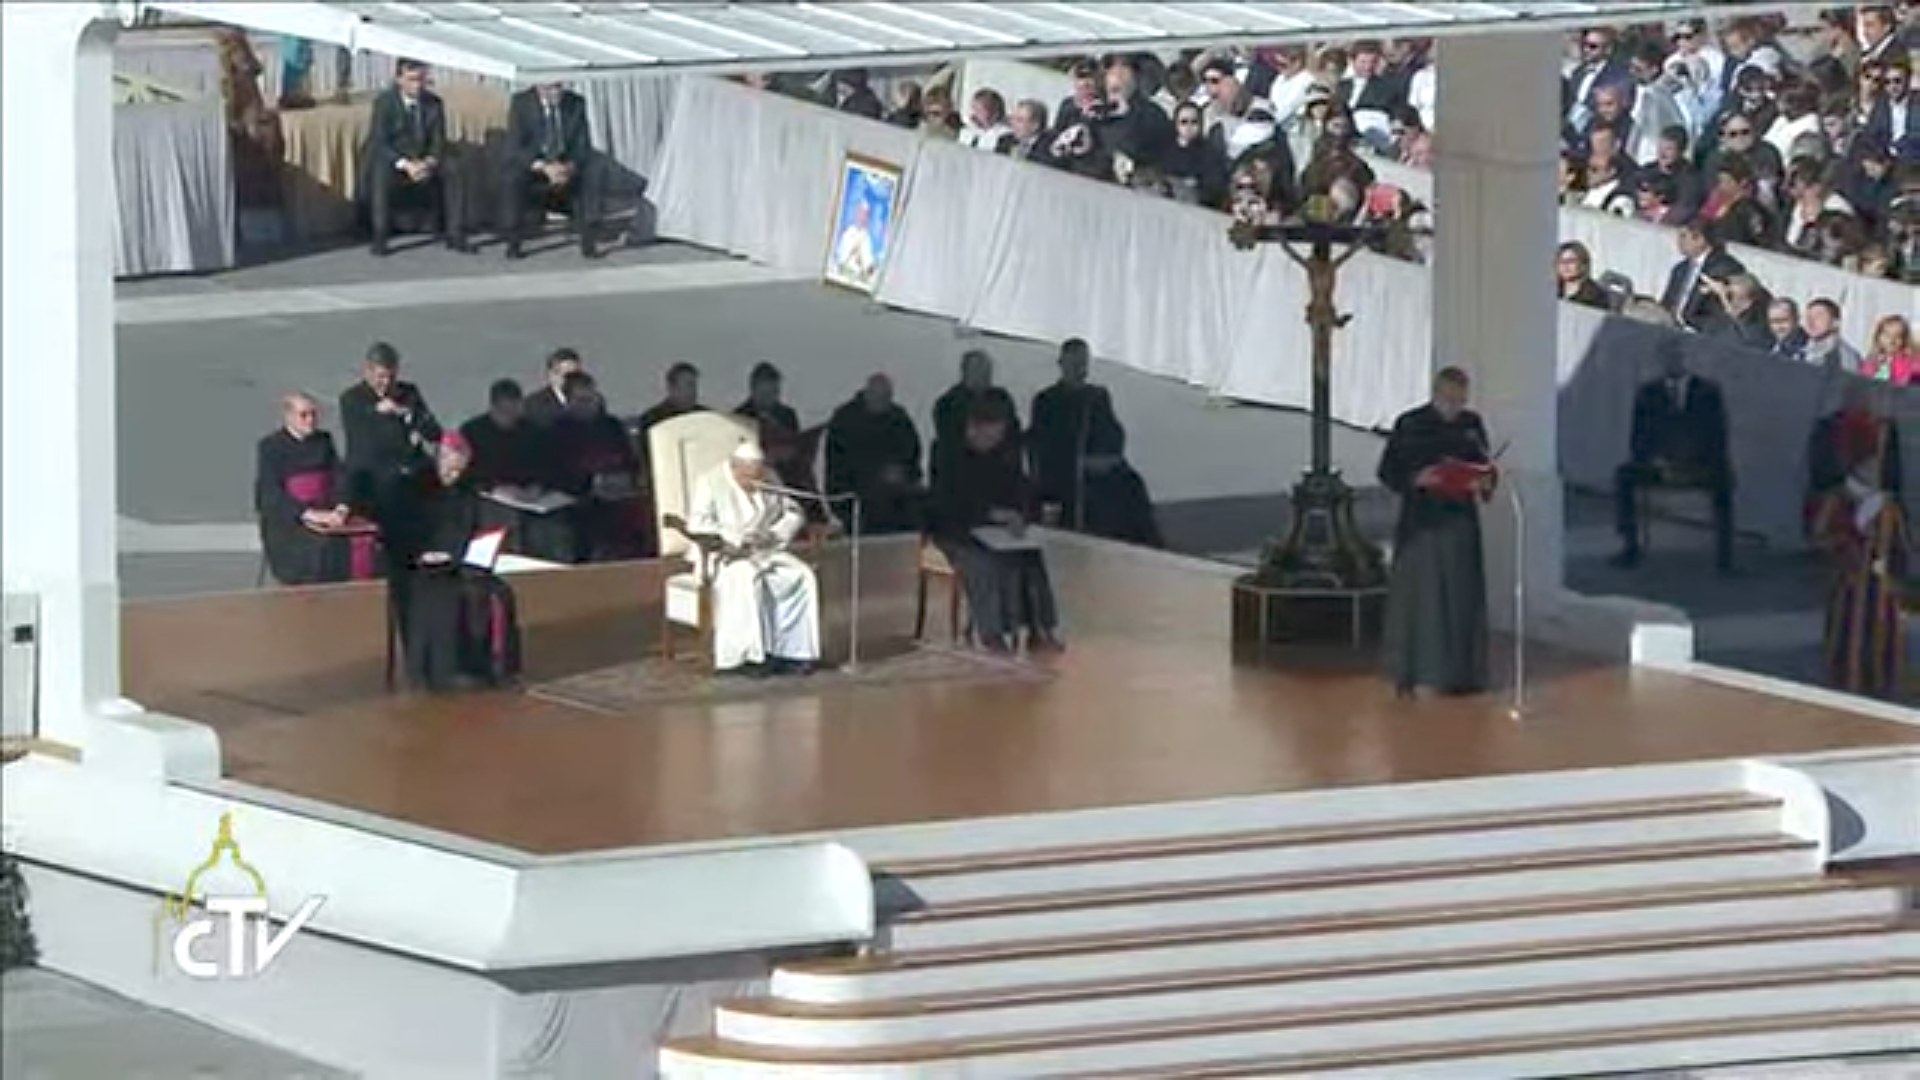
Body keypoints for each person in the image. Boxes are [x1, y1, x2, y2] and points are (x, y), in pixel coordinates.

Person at [1378, 367, 1494, 698]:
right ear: (1436, 394)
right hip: (1423, 523)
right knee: (1423, 598)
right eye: (1449, 400)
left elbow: (1484, 464)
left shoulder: (1471, 425)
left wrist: (1482, 481)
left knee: (1460, 596)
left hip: (1460, 523)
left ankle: (1462, 672)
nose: (1455, 407)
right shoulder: (1411, 424)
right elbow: (1388, 471)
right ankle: (1417, 671)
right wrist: (1417, 478)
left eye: (1460, 401)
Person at [390, 435, 522, 692]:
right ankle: (441, 670)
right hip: (419, 566)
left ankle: (487, 666)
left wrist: (467, 552)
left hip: (458, 561)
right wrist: (423, 554)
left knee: (498, 593)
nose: (454, 476)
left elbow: (472, 527)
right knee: (443, 596)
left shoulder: (465, 492)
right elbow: (401, 532)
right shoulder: (413, 491)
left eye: (459, 471)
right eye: (449, 470)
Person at [931, 406, 1063, 653]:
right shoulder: (947, 454)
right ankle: (992, 634)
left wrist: (1023, 516)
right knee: (982, 563)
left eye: (998, 437)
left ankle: (1041, 627)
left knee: (1033, 559)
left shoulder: (1002, 456)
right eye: (989, 436)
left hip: (997, 534)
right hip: (956, 532)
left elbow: (1022, 491)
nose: (994, 442)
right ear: (973, 429)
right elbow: (950, 502)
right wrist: (992, 514)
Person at [681, 442, 820, 676]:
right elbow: (698, 524)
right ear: (734, 467)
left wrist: (774, 533)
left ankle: (792, 652)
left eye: (757, 474)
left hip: (765, 551)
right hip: (722, 555)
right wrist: (735, 540)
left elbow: (792, 512)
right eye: (747, 476)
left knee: (801, 576)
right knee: (747, 578)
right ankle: (748, 657)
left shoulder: (770, 478)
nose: (753, 482)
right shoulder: (709, 482)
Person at [1610, 339, 1734, 573]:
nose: (1674, 362)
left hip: (1699, 463)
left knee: (1724, 477)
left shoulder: (1708, 391)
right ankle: (1630, 547)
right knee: (1623, 475)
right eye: (1668, 358)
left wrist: (1693, 464)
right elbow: (1639, 436)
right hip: (1659, 464)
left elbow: (1717, 435)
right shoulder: (1647, 393)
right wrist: (1657, 461)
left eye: (1678, 357)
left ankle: (1725, 558)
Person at [1811, 409, 1909, 698]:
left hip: (1882, 590)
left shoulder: (1888, 505)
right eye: (1869, 463)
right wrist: (1847, 550)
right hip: (1849, 587)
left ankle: (1880, 681)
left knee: (1882, 635)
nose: (1875, 469)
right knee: (1849, 636)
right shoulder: (1839, 498)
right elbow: (1822, 536)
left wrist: (1898, 576)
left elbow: (1901, 545)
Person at [1027, 338, 1161, 546]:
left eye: (1082, 363)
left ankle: (1144, 544)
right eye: (1073, 363)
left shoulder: (1097, 396)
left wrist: (1105, 457)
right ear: (1061, 364)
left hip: (1095, 467)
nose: (1078, 368)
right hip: (1063, 472)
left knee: (1131, 484)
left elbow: (1112, 431)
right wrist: (1076, 461)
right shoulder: (1046, 400)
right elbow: (1040, 442)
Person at [254, 393, 371, 585]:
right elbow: (270, 493)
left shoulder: (323, 439)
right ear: (288, 416)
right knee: (323, 546)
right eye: (304, 415)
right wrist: (310, 515)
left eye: (313, 414)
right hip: (293, 520)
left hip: (327, 510)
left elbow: (339, 476)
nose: (310, 420)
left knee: (364, 538)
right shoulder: (270, 446)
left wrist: (341, 509)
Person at [461, 379, 574, 562]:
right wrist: (495, 488)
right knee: (497, 517)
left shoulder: (533, 431)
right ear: (494, 407)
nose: (510, 417)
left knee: (550, 526)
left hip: (531, 498)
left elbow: (548, 465)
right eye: (504, 412)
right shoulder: (472, 432)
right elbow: (466, 473)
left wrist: (538, 486)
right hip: (491, 497)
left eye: (514, 410)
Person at [365, 58, 470, 256]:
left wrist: (429, 162)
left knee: (454, 168)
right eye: (412, 80)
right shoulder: (384, 103)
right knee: (380, 170)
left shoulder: (434, 103)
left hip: (424, 159)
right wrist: (406, 164)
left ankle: (455, 233)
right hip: (397, 161)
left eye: (421, 79)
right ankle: (380, 236)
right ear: (399, 80)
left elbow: (438, 140)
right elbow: (380, 141)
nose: (418, 85)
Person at [339, 342, 441, 533]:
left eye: (391, 377)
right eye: (381, 376)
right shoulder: (352, 399)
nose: (386, 382)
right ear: (367, 372)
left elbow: (434, 432)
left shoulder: (408, 393)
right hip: (375, 478)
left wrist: (406, 414)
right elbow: (365, 442)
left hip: (410, 471)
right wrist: (380, 411)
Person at [500, 81, 604, 259]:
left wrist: (569, 167)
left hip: (564, 161)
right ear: (539, 87)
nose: (557, 92)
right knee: (512, 176)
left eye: (559, 86)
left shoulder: (576, 103)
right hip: (537, 165)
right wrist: (544, 167)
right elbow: (515, 147)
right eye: (552, 87)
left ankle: (589, 240)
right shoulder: (521, 103)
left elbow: (582, 144)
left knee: (592, 171)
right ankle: (513, 242)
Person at [550, 371, 643, 561]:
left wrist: (625, 478)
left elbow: (630, 461)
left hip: (617, 496)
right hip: (579, 502)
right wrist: (591, 482)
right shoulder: (557, 431)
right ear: (568, 402)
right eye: (581, 400)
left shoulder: (611, 425)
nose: (588, 405)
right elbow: (557, 471)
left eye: (591, 399)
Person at [825, 373, 924, 534]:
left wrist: (901, 472)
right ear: (867, 394)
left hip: (896, 496)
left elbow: (912, 455)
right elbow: (836, 466)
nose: (880, 402)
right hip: (857, 493)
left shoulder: (899, 418)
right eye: (876, 397)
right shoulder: (845, 420)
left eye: (885, 398)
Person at [931, 349, 1022, 480]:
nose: (982, 375)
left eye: (986, 371)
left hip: (999, 470)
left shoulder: (1002, 398)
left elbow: (1013, 432)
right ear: (964, 372)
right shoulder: (948, 403)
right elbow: (951, 440)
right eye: (977, 369)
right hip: (962, 472)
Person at [522, 347, 584, 427]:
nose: (571, 380)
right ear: (551, 375)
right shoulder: (533, 405)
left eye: (575, 375)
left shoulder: (591, 402)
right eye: (566, 375)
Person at [832, 199, 878, 287]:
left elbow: (867, 263)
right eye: (861, 213)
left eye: (866, 215)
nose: (863, 217)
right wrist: (853, 249)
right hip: (843, 275)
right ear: (857, 214)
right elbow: (841, 257)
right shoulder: (848, 233)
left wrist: (870, 266)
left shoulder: (867, 238)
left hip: (857, 280)